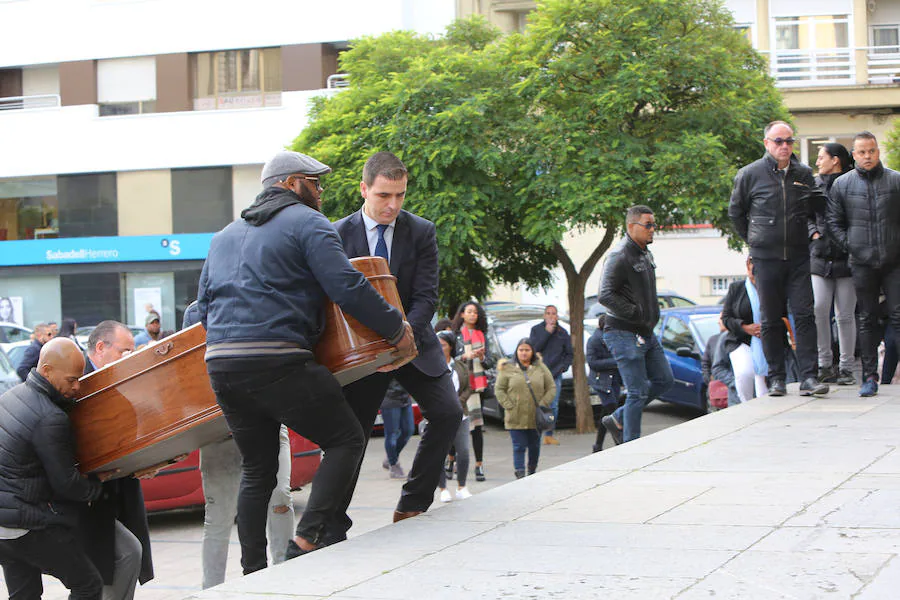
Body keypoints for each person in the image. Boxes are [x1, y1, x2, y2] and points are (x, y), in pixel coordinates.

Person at [198, 150, 413, 573]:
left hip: (221, 365)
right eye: (315, 184)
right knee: (347, 438)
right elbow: (346, 285)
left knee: (257, 468)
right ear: (291, 183)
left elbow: (203, 309)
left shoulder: (223, 235)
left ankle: (253, 571)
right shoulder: (308, 222)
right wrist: (396, 329)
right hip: (276, 359)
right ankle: (307, 540)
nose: (320, 192)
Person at [328, 151, 462, 541]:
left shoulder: (421, 231)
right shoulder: (335, 235)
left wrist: (403, 338)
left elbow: (426, 295)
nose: (393, 205)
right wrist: (374, 350)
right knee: (350, 436)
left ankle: (412, 504)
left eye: (400, 195)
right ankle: (332, 522)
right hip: (362, 354)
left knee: (448, 412)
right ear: (364, 188)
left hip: (413, 342)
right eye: (385, 195)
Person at [182, 301, 295, 590]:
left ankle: (288, 577)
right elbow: (189, 374)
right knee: (219, 517)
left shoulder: (264, 295)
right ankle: (211, 589)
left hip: (267, 421)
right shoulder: (196, 313)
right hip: (219, 431)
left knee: (280, 498)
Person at [728, 120, 829, 398]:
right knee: (770, 318)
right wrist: (755, 240)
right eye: (778, 141)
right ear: (767, 144)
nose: (784, 146)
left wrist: (816, 235)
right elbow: (736, 213)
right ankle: (776, 378)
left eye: (789, 141)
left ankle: (809, 377)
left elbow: (816, 208)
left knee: (805, 315)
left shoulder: (804, 173)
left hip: (798, 255)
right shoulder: (749, 174)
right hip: (766, 256)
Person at [0, 338, 105, 600]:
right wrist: (96, 486)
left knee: (25, 595)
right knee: (88, 584)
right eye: (71, 380)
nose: (77, 386)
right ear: (46, 370)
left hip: (3, 526)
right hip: (28, 524)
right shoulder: (50, 416)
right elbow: (66, 483)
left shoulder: (9, 397)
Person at [81, 321, 155, 600]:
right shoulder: (80, 383)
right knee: (119, 560)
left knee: (125, 561)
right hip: (93, 497)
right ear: (101, 348)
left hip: (119, 489)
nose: (130, 358)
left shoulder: (114, 380)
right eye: (125, 351)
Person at [827, 131, 900, 397]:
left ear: (877, 151)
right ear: (854, 155)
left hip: (895, 261)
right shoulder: (842, 185)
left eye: (871, 151)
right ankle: (870, 377)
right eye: (862, 152)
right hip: (861, 262)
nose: (867, 156)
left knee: (898, 315)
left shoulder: (896, 181)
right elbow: (833, 223)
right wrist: (853, 246)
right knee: (866, 318)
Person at [599, 205, 674, 444]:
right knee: (637, 391)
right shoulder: (620, 255)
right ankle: (631, 445)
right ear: (631, 226)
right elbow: (605, 294)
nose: (653, 230)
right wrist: (635, 313)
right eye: (648, 225)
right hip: (623, 331)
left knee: (664, 379)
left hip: (645, 331)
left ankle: (618, 417)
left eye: (654, 225)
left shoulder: (645, 253)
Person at [810, 142, 856, 386]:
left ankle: (847, 368)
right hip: (819, 257)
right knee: (818, 309)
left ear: (835, 160)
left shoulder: (851, 182)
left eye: (821, 157)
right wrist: (813, 234)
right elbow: (806, 214)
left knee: (845, 315)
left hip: (846, 258)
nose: (817, 162)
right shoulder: (813, 184)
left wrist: (850, 243)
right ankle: (824, 364)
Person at [495, 338, 555, 478]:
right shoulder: (507, 368)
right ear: (517, 351)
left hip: (536, 416)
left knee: (534, 446)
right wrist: (508, 405)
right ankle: (520, 473)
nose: (523, 353)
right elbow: (499, 389)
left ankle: (532, 470)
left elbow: (551, 387)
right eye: (521, 350)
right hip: (515, 415)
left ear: (532, 351)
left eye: (527, 350)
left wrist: (543, 403)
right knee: (519, 446)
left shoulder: (540, 367)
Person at [450, 301, 493, 481]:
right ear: (462, 315)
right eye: (469, 312)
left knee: (477, 426)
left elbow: (489, 362)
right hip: (459, 385)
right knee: (454, 424)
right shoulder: (455, 336)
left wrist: (482, 357)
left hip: (477, 386)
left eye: (475, 312)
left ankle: (479, 465)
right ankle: (450, 460)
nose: (473, 315)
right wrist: (464, 356)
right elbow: (448, 358)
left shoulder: (482, 335)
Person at [721, 257, 770, 402]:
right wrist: (744, 327)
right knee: (744, 373)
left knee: (763, 387)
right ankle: (746, 404)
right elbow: (726, 318)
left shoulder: (771, 288)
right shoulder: (736, 288)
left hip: (766, 340)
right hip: (740, 339)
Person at [435, 330, 472, 502]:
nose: (439, 348)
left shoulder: (460, 366)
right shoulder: (431, 364)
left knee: (463, 451)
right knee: (439, 452)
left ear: (450, 347)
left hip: (460, 414)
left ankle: (461, 486)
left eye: (442, 344)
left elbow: (467, 388)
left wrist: (457, 402)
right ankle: (442, 488)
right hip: (439, 416)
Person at [529, 305, 573, 445]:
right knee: (538, 404)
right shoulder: (536, 330)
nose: (551, 316)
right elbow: (534, 349)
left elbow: (569, 353)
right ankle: (536, 433)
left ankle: (549, 434)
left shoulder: (562, 332)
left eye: (553, 313)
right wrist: (547, 333)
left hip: (555, 374)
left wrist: (563, 368)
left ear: (557, 316)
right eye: (548, 313)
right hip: (538, 374)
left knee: (553, 406)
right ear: (544, 316)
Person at [585, 314, 621, 452]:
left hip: (614, 380)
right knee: (612, 410)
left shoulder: (613, 338)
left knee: (606, 414)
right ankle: (620, 441)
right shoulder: (594, 340)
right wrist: (615, 362)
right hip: (602, 381)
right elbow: (593, 363)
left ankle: (598, 445)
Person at [380, 380, 415, 480]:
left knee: (409, 430)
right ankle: (394, 465)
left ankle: (391, 457)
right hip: (389, 398)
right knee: (392, 435)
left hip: (404, 397)